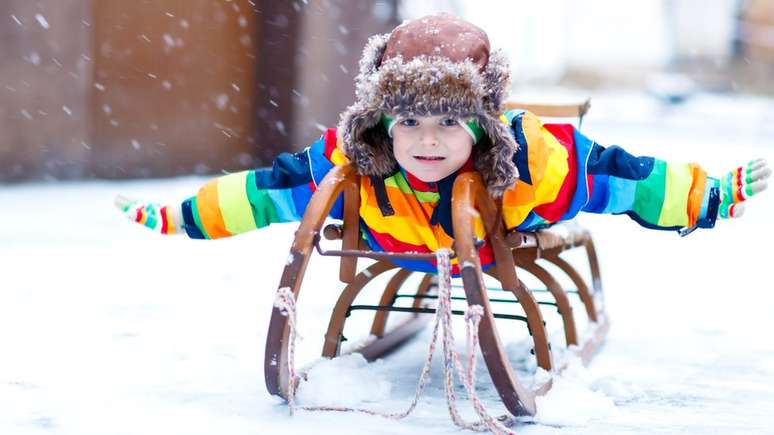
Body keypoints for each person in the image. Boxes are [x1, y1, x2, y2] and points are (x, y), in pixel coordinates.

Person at [116, 13, 770, 274]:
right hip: (406, 251)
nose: (426, 139)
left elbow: (623, 177)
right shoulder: (355, 164)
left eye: (448, 123)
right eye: (408, 123)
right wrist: (187, 216)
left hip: (486, 246)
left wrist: (706, 197)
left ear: (483, 126)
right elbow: (271, 189)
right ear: (381, 124)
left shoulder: (532, 163)